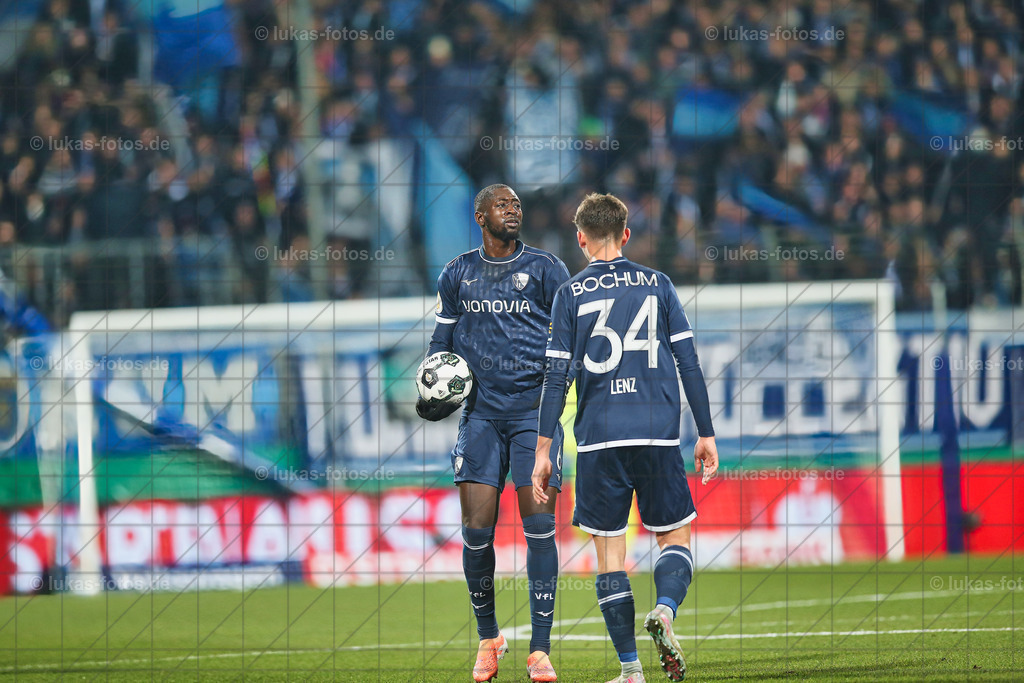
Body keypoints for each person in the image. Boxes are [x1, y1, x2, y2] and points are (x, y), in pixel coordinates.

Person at [532, 193, 719, 683]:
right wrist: (706, 432)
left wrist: (543, 448)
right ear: (627, 234)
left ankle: (631, 670)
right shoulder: (658, 284)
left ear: (581, 239)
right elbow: (689, 363)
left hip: (598, 440)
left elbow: (556, 378)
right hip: (657, 434)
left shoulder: (570, 294)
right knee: (673, 535)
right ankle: (665, 610)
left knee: (610, 554)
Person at [417, 184, 570, 682]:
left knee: (539, 527)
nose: (513, 210)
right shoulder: (456, 274)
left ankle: (541, 650)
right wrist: (432, 390)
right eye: (503, 205)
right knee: (476, 533)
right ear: (480, 215)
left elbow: (567, 342)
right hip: (480, 417)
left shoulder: (548, 269)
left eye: (517, 204)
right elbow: (441, 343)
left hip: (534, 417)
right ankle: (489, 639)